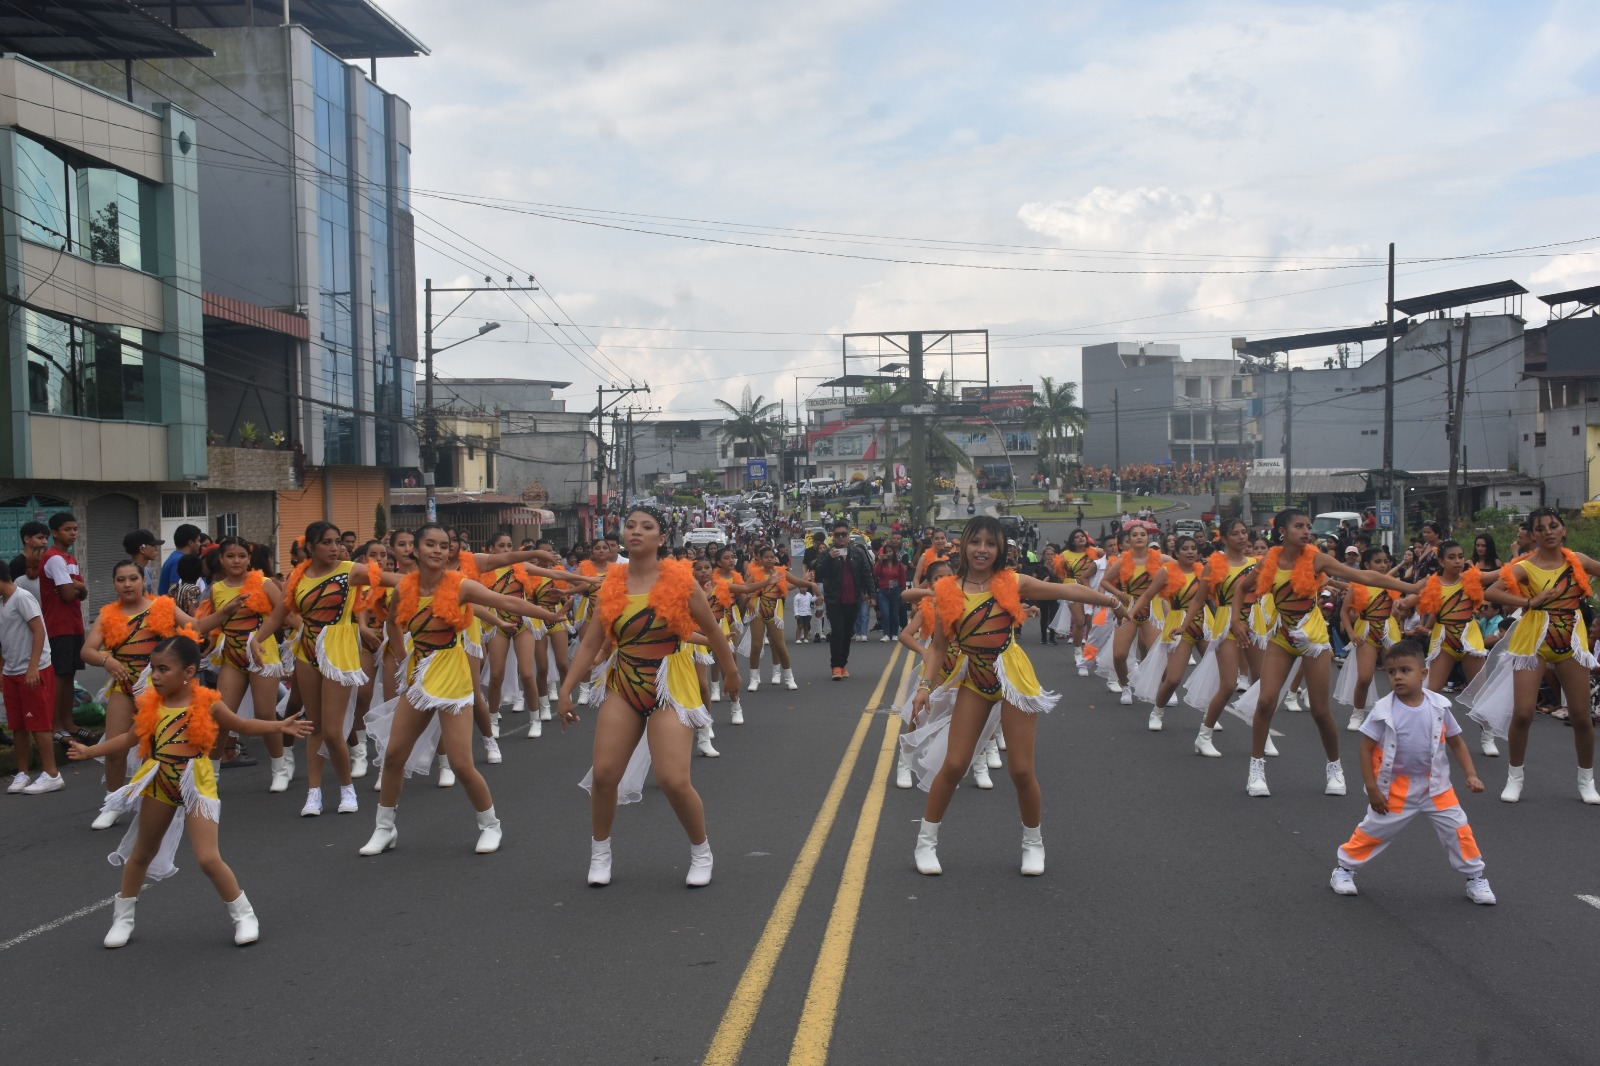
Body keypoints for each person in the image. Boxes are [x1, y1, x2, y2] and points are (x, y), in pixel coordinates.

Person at [907, 515, 1125, 876]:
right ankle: (926, 842)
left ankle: (1033, 843)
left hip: (1013, 677)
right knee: (956, 764)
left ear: (1001, 549)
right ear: (964, 546)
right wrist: (923, 688)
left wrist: (1113, 604)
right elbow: (938, 647)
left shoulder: (1012, 581)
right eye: (975, 542)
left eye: (990, 544)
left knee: (1022, 770)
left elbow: (1068, 590)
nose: (982, 550)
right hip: (975, 677)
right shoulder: (946, 589)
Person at [66, 635, 314, 948]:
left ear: (189, 672)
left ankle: (243, 913)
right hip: (159, 781)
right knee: (141, 853)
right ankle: (123, 917)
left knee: (208, 858)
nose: (154, 676)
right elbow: (128, 740)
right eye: (153, 668)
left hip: (196, 781)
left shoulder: (207, 702)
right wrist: (90, 752)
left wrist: (279, 726)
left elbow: (241, 724)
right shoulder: (151, 707)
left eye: (163, 669)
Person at [559, 506, 741, 886]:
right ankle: (600, 853)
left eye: (647, 527)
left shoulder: (681, 583)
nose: (636, 531)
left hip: (669, 682)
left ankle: (701, 851)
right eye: (630, 526)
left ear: (661, 538)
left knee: (673, 779)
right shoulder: (612, 583)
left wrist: (732, 675)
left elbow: (714, 632)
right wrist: (565, 689)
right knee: (605, 775)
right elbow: (593, 641)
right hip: (624, 682)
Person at [357, 524, 564, 858]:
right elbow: (393, 622)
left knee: (461, 763)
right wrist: (402, 660)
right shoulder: (405, 588)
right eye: (430, 544)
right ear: (416, 551)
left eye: (443, 545)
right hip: (421, 677)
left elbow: (505, 602)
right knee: (394, 755)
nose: (438, 551)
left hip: (452, 676)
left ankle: (490, 825)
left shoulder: (461, 585)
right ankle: (384, 828)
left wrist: (550, 615)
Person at [1243, 509, 1417, 799]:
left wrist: (1410, 586)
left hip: (1313, 638)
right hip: (1282, 636)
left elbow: (1363, 575)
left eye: (1308, 526)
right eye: (1299, 526)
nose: (1306, 530)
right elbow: (1241, 589)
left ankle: (1334, 767)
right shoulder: (1268, 562)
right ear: (1283, 531)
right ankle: (1256, 768)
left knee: (1321, 711)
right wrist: (1237, 618)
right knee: (1265, 702)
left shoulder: (1317, 559)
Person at [1329, 639, 1495, 905]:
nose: (1397, 677)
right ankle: (1345, 869)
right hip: (1396, 787)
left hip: (1436, 786)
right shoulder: (1384, 710)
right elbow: (1365, 750)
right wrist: (1372, 788)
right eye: (1392, 672)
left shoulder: (1439, 706)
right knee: (1374, 830)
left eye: (1405, 670)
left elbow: (1456, 741)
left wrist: (1471, 774)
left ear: (1423, 673)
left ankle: (1475, 877)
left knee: (1459, 830)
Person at [1477, 507, 1600, 803]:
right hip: (1534, 640)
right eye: (1541, 528)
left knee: (1582, 717)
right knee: (1522, 713)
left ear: (1563, 530)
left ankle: (1586, 780)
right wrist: (1530, 600)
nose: (1548, 531)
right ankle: (1515, 777)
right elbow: (1491, 592)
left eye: (1553, 525)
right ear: (1533, 535)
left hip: (1571, 638)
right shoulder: (1526, 566)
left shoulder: (1577, 561)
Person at [1, 559, 62, 794]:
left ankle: (52, 774)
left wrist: (33, 667)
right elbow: (3, 641)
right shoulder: (2, 602)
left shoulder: (22, 597)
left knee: (39, 724)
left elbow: (39, 631)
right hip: (12, 672)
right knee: (17, 725)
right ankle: (22, 773)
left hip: (34, 671)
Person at [39, 512, 87, 739]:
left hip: (74, 625)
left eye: (75, 529)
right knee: (60, 675)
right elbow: (68, 595)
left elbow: (82, 592)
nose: (73, 533)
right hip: (59, 626)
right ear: (55, 533)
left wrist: (77, 585)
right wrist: (76, 586)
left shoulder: (71, 560)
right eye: (68, 529)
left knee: (70, 675)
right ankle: (56, 725)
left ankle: (69, 722)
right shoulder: (55, 558)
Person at [813, 520, 876, 680]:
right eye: (837, 535)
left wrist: (872, 595)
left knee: (848, 633)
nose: (841, 537)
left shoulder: (858, 552)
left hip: (854, 599)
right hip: (835, 600)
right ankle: (836, 666)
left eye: (844, 534)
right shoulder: (827, 553)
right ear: (833, 537)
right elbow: (818, 574)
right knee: (838, 632)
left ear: (848, 536)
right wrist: (828, 558)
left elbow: (867, 574)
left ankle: (843, 664)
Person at [872, 546, 906, 644]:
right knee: (885, 614)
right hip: (883, 591)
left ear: (893, 553)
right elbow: (875, 573)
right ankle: (886, 634)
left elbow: (903, 580)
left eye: (890, 551)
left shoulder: (899, 565)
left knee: (895, 614)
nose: (888, 553)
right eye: (886, 552)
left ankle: (894, 634)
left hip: (896, 591)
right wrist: (879, 561)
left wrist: (903, 593)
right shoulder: (881, 564)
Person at [158, 523, 204, 595]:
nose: (200, 544)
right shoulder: (179, 560)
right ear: (191, 543)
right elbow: (174, 592)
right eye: (198, 541)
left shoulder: (175, 557)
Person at [122, 529, 164, 595]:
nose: (157, 549)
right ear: (142, 549)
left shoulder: (147, 571)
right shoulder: (128, 573)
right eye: (153, 545)